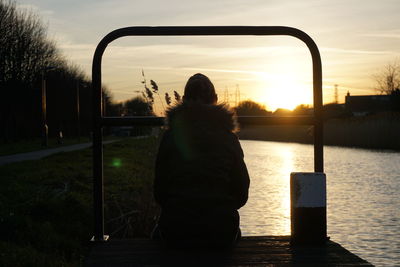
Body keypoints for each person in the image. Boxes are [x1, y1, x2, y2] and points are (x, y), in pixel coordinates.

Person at [153, 73, 250, 248]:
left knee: (157, 236)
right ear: (215, 99)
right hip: (221, 232)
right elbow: (242, 193)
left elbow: (159, 191)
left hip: (176, 231)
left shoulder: (171, 137)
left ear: (183, 100)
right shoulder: (229, 139)